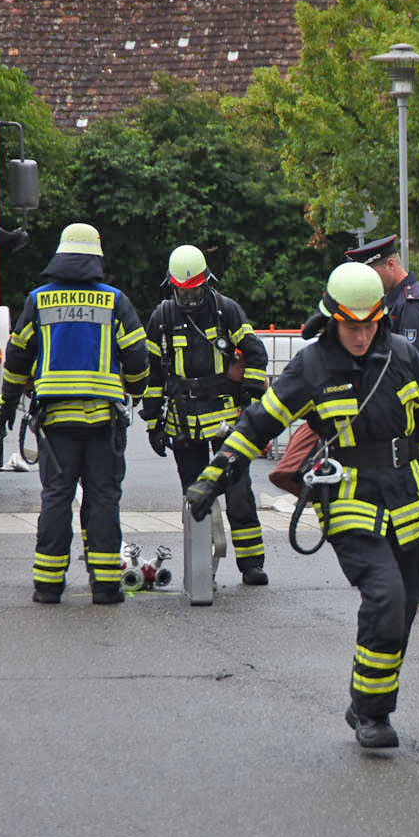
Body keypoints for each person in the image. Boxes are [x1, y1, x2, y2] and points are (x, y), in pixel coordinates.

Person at [183, 262, 419, 748]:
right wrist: (213, 479)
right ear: (332, 319)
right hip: (351, 499)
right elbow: (257, 425)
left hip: (410, 499)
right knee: (385, 597)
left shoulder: (404, 357)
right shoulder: (311, 366)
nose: (361, 335)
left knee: (404, 611)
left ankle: (364, 698)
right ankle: (375, 715)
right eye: (352, 326)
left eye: (370, 324)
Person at [0, 223, 148, 605]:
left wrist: (6, 404)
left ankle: (47, 586)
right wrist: (140, 390)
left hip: (56, 424)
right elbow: (138, 357)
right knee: (104, 498)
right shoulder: (114, 301)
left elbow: (16, 358)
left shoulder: (39, 300)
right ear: (96, 257)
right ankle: (106, 586)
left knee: (56, 498)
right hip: (103, 424)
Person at [142, 244, 271, 587]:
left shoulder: (226, 311)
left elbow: (257, 354)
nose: (189, 298)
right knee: (196, 496)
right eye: (182, 292)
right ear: (172, 286)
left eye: (195, 290)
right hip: (183, 420)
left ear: (207, 282)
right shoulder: (162, 317)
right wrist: (153, 423)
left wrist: (251, 396)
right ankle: (202, 570)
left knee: (239, 491)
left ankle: (251, 564)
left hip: (227, 418)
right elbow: (154, 374)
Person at [346, 234, 419, 604]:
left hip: (414, 418)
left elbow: (408, 370)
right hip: (409, 419)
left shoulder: (410, 306)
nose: (370, 280)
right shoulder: (396, 301)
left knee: (416, 498)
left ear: (390, 264)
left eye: (373, 270)